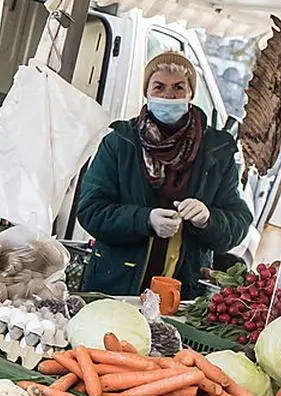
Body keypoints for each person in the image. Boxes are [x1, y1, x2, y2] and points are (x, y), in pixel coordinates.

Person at [75, 51, 252, 299]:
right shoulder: (120, 143)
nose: (169, 95)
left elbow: (239, 223)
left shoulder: (216, 151)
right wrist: (144, 219)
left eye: (179, 87)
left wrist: (208, 219)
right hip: (115, 285)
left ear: (191, 94)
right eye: (159, 87)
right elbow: (90, 210)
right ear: (146, 92)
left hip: (182, 293)